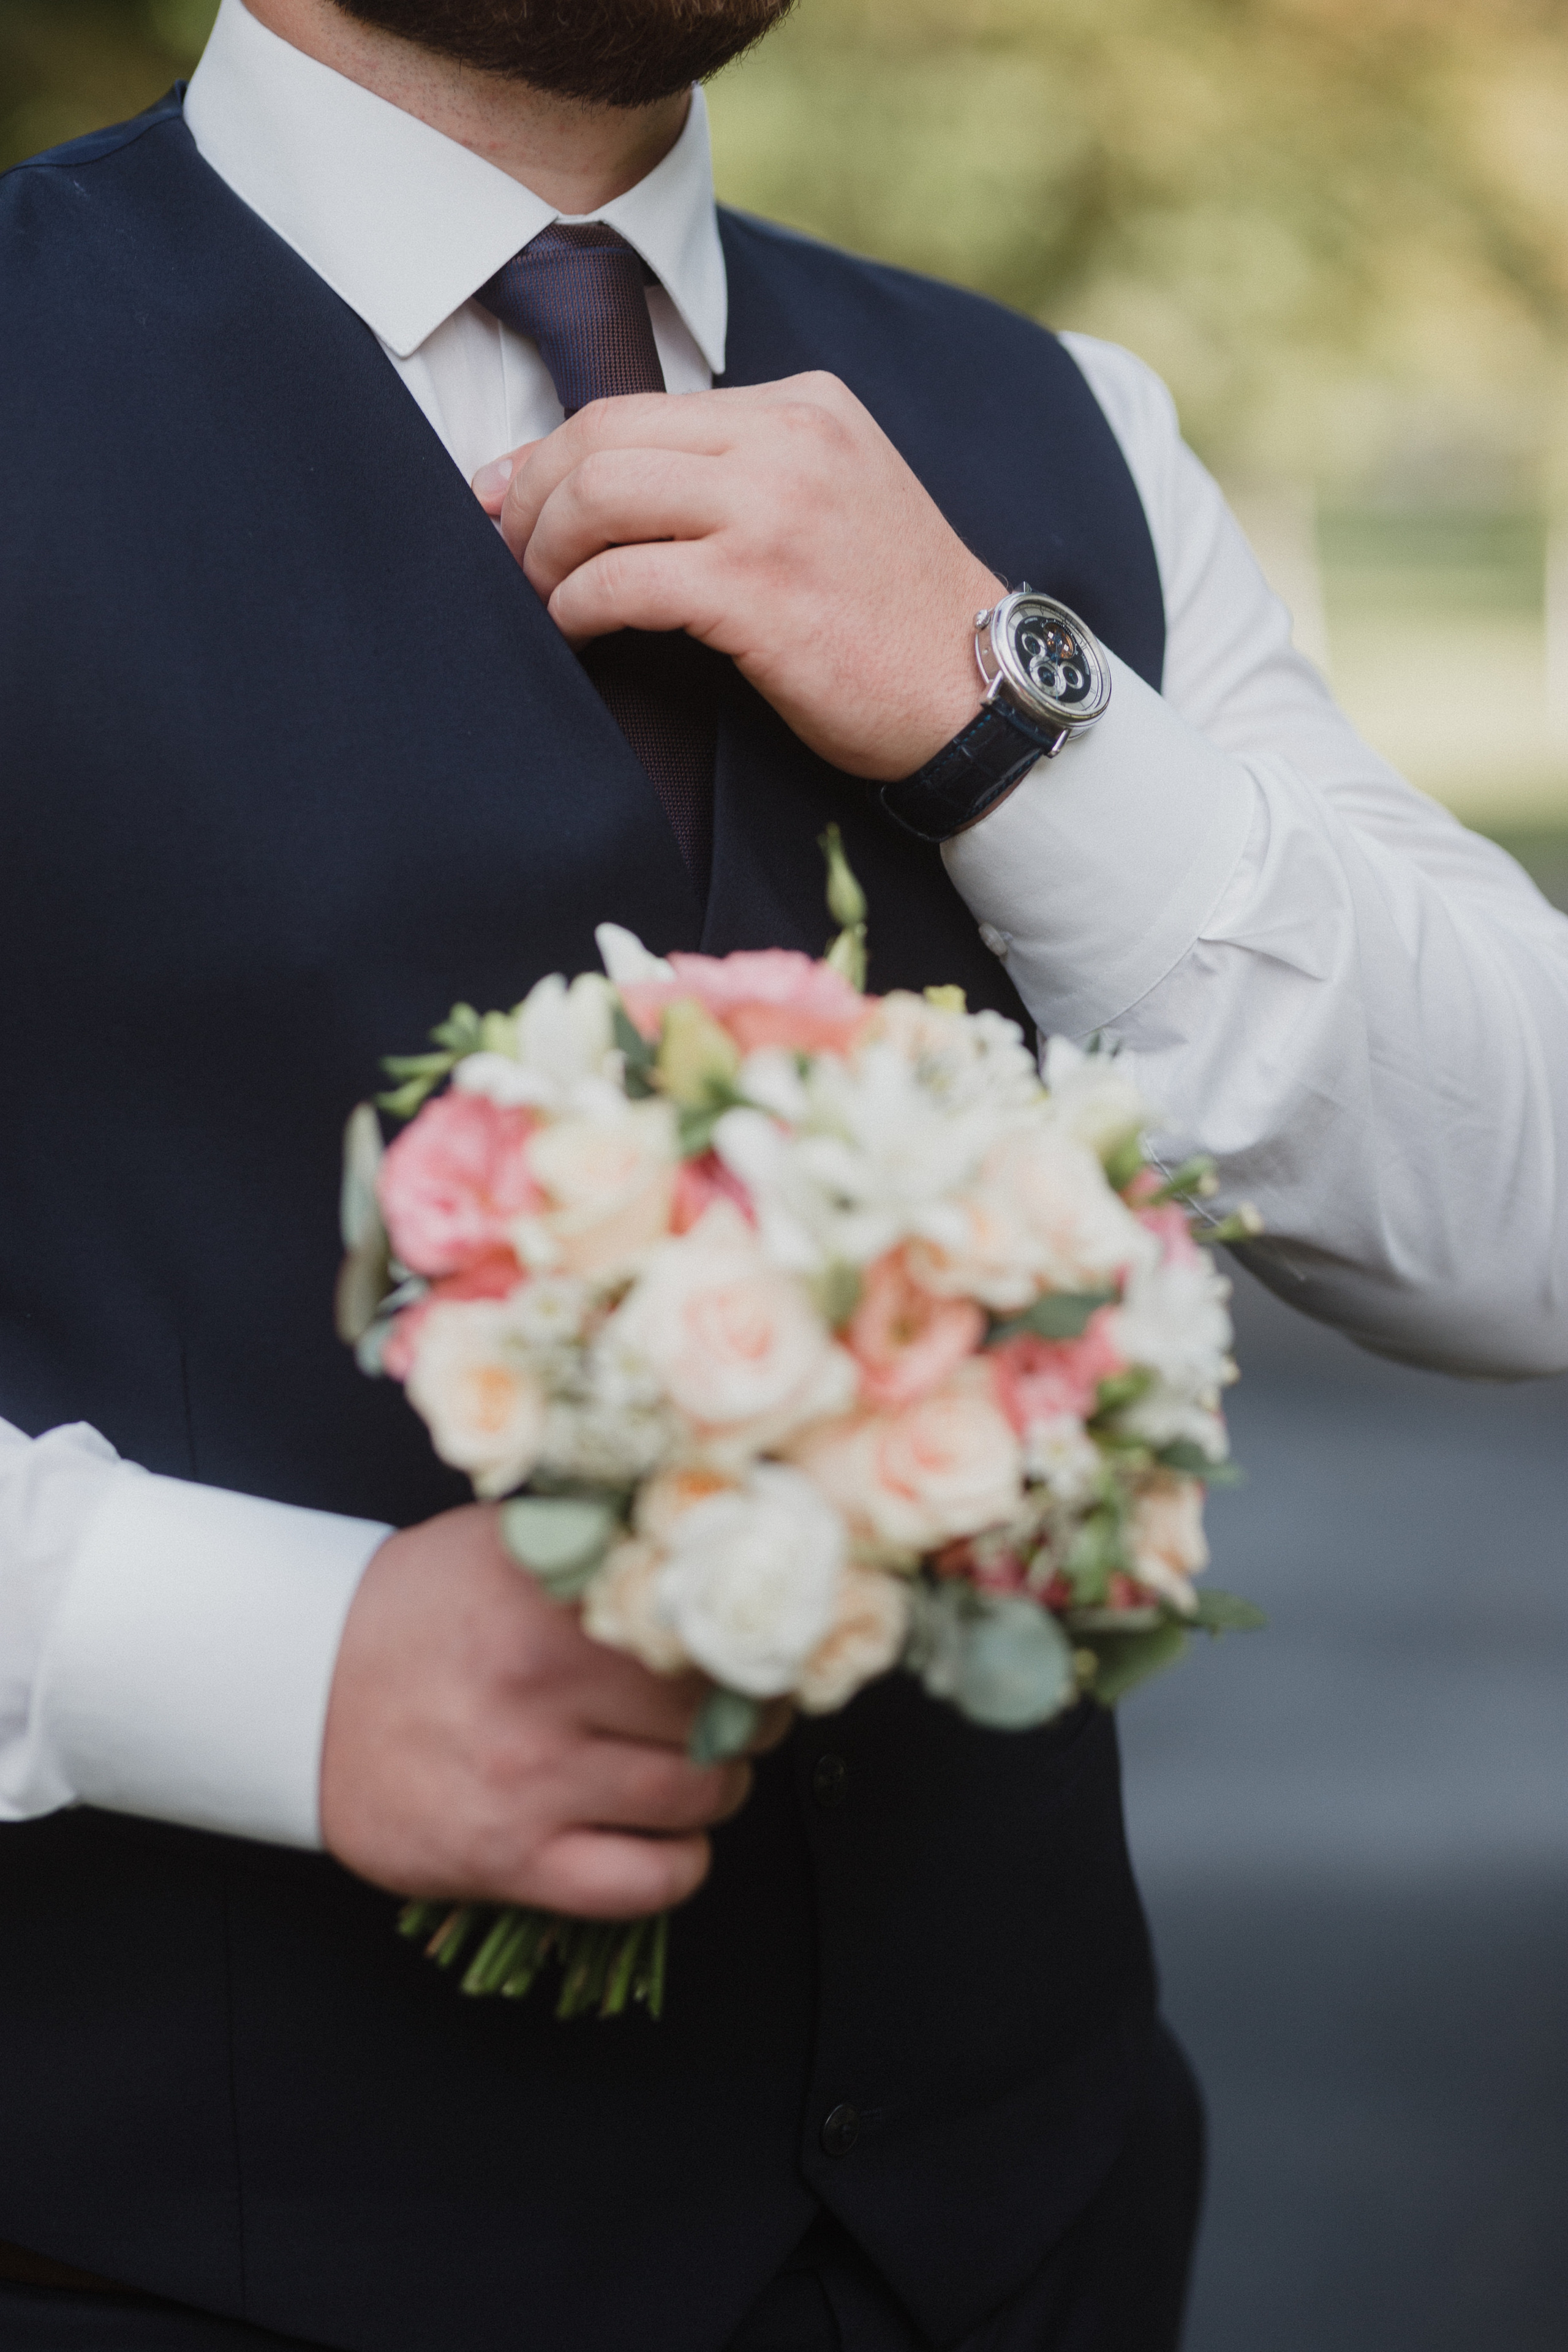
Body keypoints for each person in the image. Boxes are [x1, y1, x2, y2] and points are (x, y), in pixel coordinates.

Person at [1, 2, 1566, 2346]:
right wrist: (251, 1667)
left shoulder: (1065, 434)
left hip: (1036, 2254)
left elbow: (1527, 1212)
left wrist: (1006, 710)